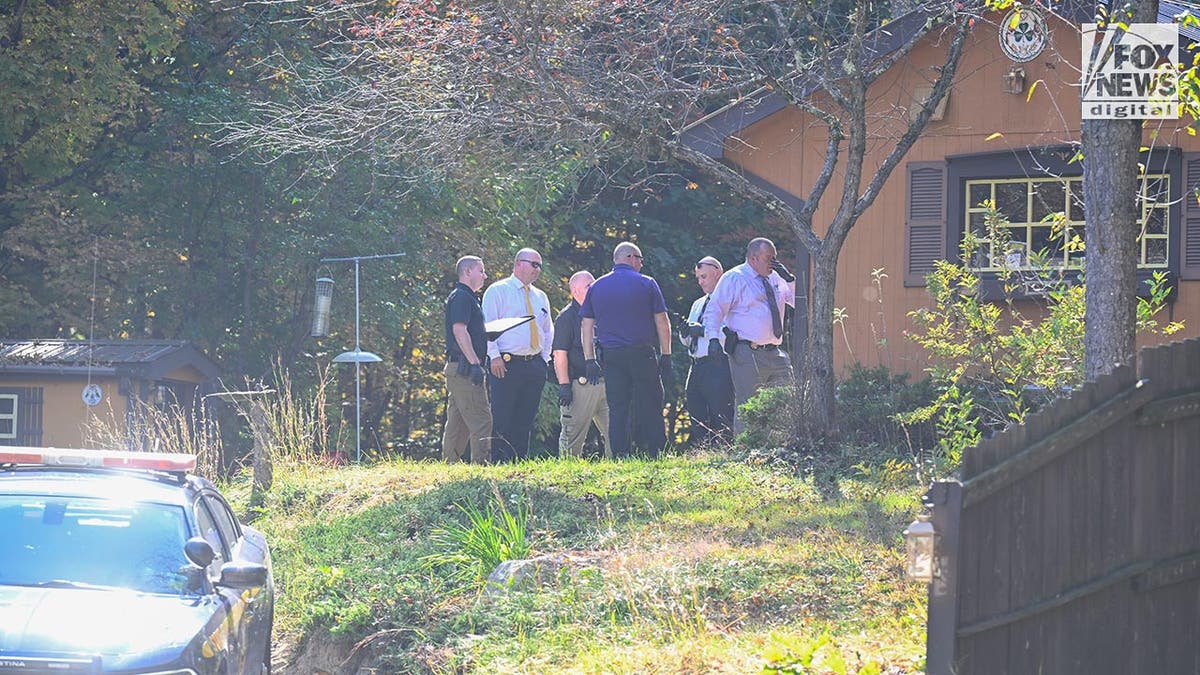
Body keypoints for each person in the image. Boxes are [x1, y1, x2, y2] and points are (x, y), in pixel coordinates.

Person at [580, 241, 674, 459]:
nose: (641, 264)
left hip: (611, 355)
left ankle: (620, 454)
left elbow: (586, 324)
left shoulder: (597, 286)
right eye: (640, 259)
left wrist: (589, 359)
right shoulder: (647, 283)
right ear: (631, 257)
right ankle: (657, 452)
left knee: (618, 406)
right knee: (651, 401)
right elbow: (662, 321)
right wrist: (666, 354)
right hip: (641, 352)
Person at [701, 237, 796, 433]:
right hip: (747, 350)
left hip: (775, 351)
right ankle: (745, 452)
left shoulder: (776, 277)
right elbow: (715, 310)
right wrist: (712, 339)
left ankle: (774, 449)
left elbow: (799, 303)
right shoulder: (735, 277)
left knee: (784, 399)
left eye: (775, 257)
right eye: (769, 258)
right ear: (754, 259)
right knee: (749, 404)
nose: (774, 262)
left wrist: (790, 280)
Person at [482, 248, 553, 462]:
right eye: (534, 264)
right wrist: (493, 356)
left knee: (525, 419)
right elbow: (487, 326)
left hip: (534, 364)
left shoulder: (540, 296)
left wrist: (545, 359)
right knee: (502, 417)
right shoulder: (498, 290)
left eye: (539, 265)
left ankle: (519, 464)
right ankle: (497, 464)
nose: (537, 270)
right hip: (505, 363)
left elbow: (548, 329)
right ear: (519, 264)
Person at [552, 270, 612, 458]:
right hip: (581, 386)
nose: (594, 289)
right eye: (589, 286)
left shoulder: (601, 314)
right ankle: (566, 477)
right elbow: (559, 354)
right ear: (576, 290)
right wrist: (564, 385)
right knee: (572, 438)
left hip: (606, 383)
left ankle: (619, 472)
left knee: (617, 434)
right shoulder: (567, 317)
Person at [442, 255, 492, 464]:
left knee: (458, 421)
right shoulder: (462, 297)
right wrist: (475, 364)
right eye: (481, 271)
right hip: (464, 368)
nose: (485, 275)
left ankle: (449, 464)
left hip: (458, 368)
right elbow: (459, 331)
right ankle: (482, 466)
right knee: (482, 420)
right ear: (468, 272)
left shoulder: (467, 298)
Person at [681, 256, 734, 446]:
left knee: (720, 412)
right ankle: (703, 452)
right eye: (698, 278)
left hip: (717, 363)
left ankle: (724, 450)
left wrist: (702, 331)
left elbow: (731, 334)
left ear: (717, 273)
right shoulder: (697, 303)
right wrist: (685, 332)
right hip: (696, 364)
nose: (700, 282)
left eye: (704, 277)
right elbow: (688, 342)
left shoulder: (729, 300)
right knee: (696, 411)